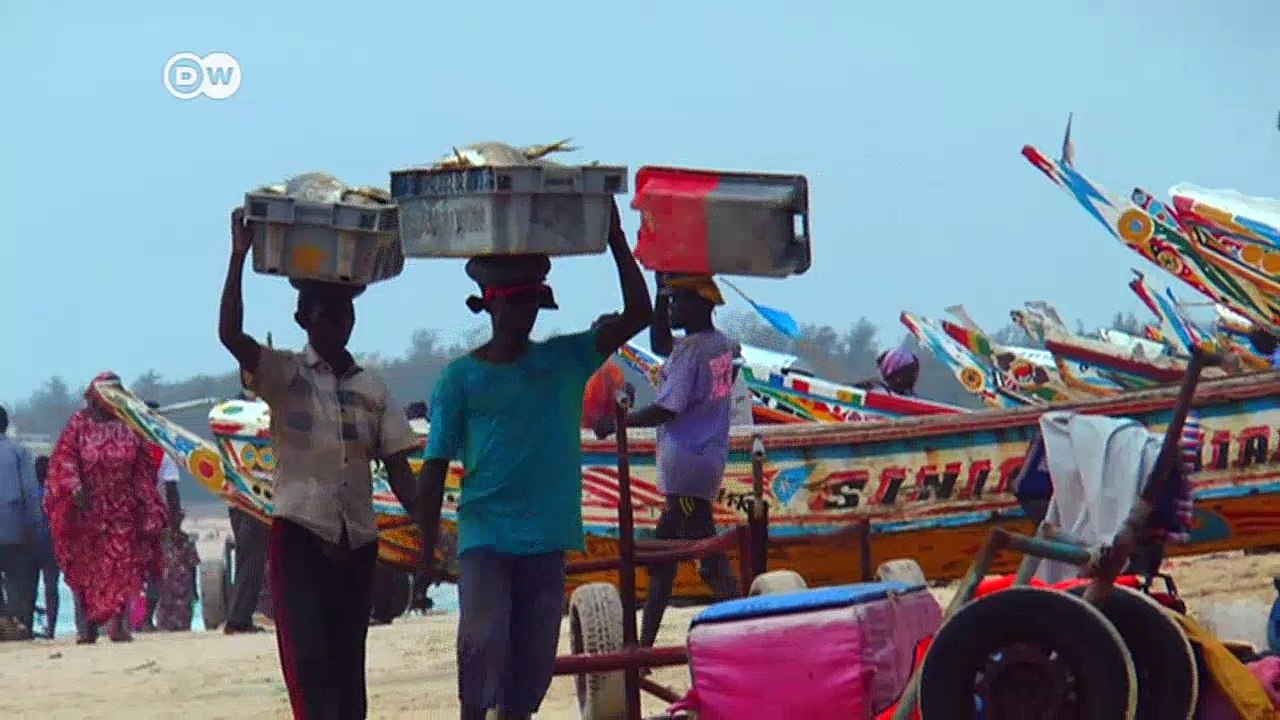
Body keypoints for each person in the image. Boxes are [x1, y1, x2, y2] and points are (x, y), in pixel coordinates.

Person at [415, 201, 651, 720]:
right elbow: (433, 471)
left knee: (534, 667)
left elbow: (640, 313)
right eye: (513, 305)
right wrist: (423, 554)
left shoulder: (564, 360)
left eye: (530, 306)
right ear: (488, 306)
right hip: (485, 538)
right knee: (480, 644)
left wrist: (614, 237)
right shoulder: (460, 379)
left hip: (547, 539)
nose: (522, 316)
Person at [218, 208, 423, 718]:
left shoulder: (371, 388)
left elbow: (399, 467)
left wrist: (429, 526)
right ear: (304, 318)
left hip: (358, 544)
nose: (338, 323)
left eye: (344, 313)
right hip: (300, 539)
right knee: (308, 664)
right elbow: (230, 335)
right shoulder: (284, 375)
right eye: (326, 313)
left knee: (349, 665)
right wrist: (238, 256)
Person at [596, 273, 739, 649]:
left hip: (687, 465)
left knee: (701, 554)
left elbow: (666, 408)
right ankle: (644, 645)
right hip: (704, 461)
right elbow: (661, 342)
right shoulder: (721, 344)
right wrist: (660, 291)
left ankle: (744, 624)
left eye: (678, 301)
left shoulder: (692, 351)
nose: (672, 307)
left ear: (701, 304)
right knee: (670, 557)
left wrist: (618, 422)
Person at [44, 373, 169, 644]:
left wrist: (146, 501)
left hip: (122, 508)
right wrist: (74, 486)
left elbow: (143, 466)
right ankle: (87, 627)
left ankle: (119, 625)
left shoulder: (129, 425)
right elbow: (64, 458)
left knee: (122, 566)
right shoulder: (79, 425)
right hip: (87, 510)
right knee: (88, 570)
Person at [0, 406, 41, 639]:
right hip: (14, 525)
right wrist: (34, 523)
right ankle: (17, 623)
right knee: (17, 577)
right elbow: (29, 490)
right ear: (5, 425)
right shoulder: (19, 451)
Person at [154, 509, 200, 632]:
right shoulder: (163, 540)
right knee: (166, 617)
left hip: (181, 584)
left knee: (182, 618)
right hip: (168, 585)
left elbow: (193, 565)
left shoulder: (185, 539)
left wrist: (194, 588)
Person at [30, 456, 58, 639]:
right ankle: (51, 629)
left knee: (30, 588)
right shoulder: (54, 494)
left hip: (31, 545)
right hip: (52, 545)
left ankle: (27, 624)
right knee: (51, 589)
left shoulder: (32, 494)